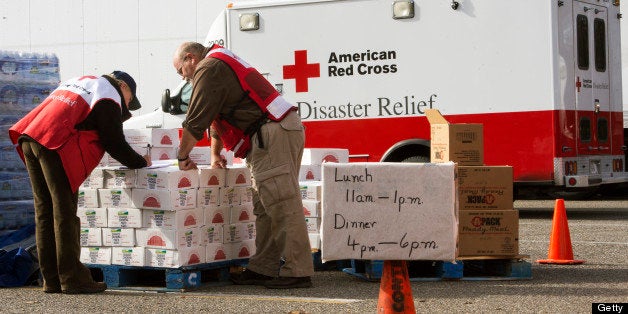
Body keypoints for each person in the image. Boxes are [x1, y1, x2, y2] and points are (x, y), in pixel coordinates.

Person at [173, 42, 314, 289]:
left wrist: (182, 156)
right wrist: (216, 155)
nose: (183, 77)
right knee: (265, 204)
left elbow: (195, 119)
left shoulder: (208, 67)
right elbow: (216, 118)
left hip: (270, 134)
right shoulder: (218, 61)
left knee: (281, 202)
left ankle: (298, 270)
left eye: (180, 70)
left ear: (190, 58)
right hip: (273, 132)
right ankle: (263, 267)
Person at [8, 71, 151, 294]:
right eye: (130, 99)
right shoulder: (108, 93)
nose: (127, 105)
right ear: (122, 86)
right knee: (64, 213)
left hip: (30, 137)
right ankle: (72, 279)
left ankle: (52, 280)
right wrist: (141, 162)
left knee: (45, 213)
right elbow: (113, 141)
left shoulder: (81, 82)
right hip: (52, 143)